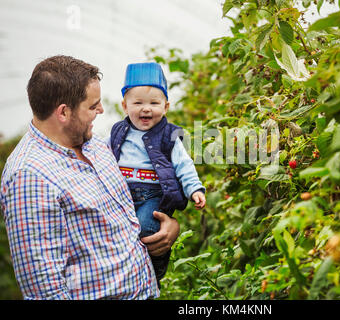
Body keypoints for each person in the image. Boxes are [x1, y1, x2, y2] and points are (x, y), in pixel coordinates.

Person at [0, 55, 180, 299]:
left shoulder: (94, 144)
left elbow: (128, 211)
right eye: (92, 105)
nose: (102, 110)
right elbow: (46, 291)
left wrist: (168, 226)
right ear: (64, 112)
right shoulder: (30, 177)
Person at [110, 62, 206, 286]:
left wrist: (195, 190)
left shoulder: (169, 136)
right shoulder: (117, 132)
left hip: (153, 196)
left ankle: (156, 267)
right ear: (125, 106)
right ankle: (126, 274)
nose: (146, 108)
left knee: (144, 228)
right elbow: (104, 158)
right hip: (122, 195)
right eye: (138, 103)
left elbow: (184, 165)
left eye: (154, 103)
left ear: (166, 107)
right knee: (121, 233)